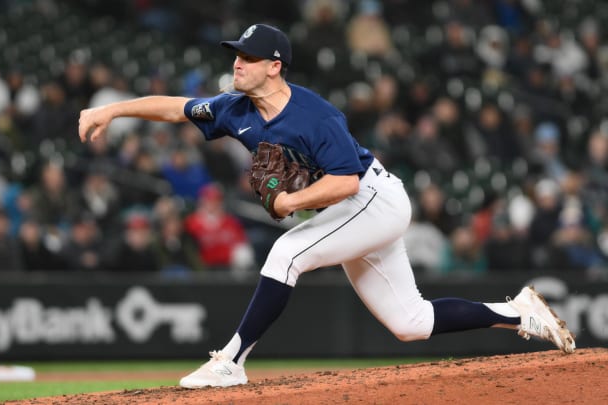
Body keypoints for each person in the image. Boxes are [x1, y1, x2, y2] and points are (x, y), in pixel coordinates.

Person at [78, 24, 576, 389]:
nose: (236, 64)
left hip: (372, 200)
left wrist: (292, 200)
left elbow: (344, 181)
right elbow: (176, 107)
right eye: (235, 55)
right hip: (348, 212)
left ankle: (230, 361)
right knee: (411, 323)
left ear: (275, 66)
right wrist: (112, 109)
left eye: (248, 57)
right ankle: (518, 313)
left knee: (286, 254)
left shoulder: (316, 116)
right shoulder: (234, 109)